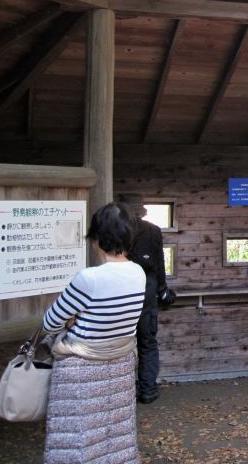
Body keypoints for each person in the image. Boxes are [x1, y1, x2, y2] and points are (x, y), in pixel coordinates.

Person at [42, 201, 146, 464]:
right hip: (120, 366)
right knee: (115, 438)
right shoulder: (138, 273)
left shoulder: (88, 278)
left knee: (79, 442)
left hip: (82, 369)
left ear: (97, 239)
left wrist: (69, 323)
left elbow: (50, 322)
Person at [121, 194, 175, 404]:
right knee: (148, 343)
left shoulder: (118, 231)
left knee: (118, 343)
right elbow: (159, 264)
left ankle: (121, 392)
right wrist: (162, 289)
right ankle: (148, 390)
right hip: (147, 291)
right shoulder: (153, 230)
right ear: (142, 211)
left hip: (122, 291)